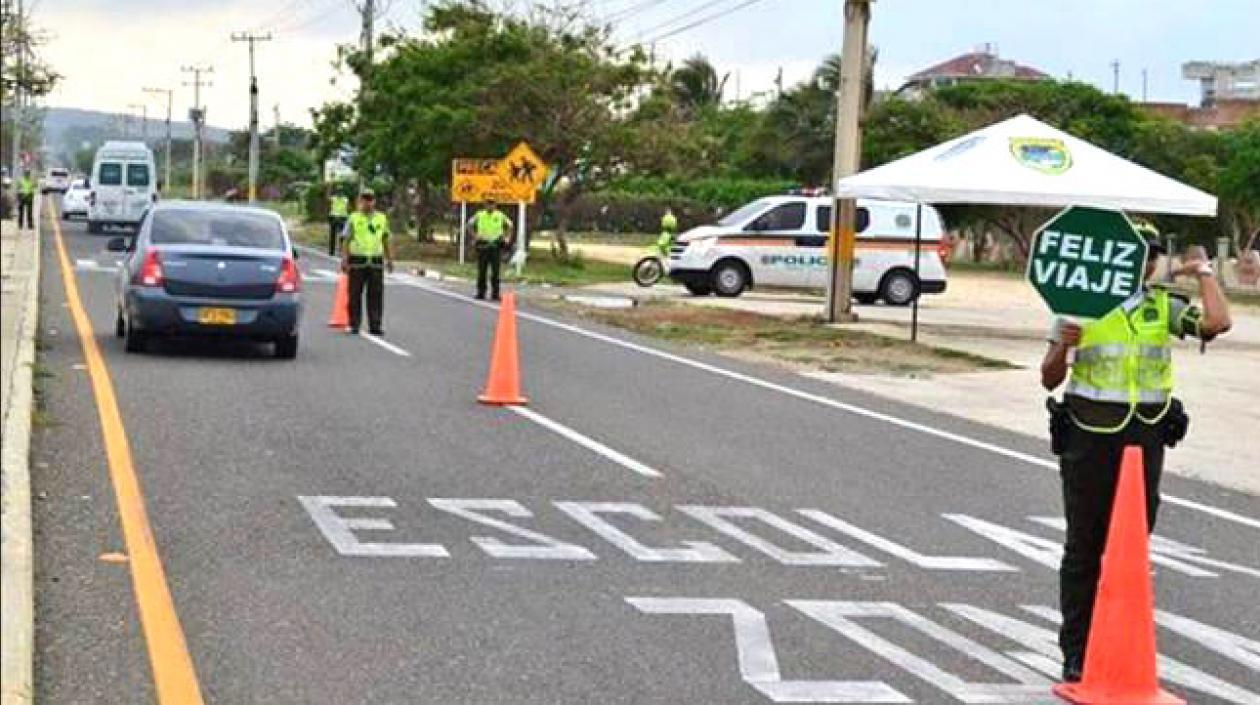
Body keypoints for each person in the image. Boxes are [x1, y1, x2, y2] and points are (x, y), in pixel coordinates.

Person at [1040, 223, 1231, 683]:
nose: (1144, 262)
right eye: (1134, 253)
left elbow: (1217, 323)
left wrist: (1204, 272)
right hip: (1090, 435)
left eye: (1151, 255)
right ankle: (1077, 651)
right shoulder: (1079, 306)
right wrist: (1064, 345)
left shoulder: (1161, 305)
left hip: (1143, 440)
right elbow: (1049, 378)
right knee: (1084, 546)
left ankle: (1119, 645)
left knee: (1131, 547)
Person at [339, 190, 394, 335]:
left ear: (374, 201)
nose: (367, 203)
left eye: (370, 200)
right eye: (364, 200)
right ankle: (354, 323)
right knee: (354, 293)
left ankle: (375, 325)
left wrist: (389, 259)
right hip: (357, 260)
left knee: (376, 294)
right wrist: (344, 259)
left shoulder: (381, 218)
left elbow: (385, 239)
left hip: (375, 261)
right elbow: (346, 240)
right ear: (360, 201)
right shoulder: (353, 218)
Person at [466, 199, 514, 301]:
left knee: (495, 271)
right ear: (485, 205)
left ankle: (495, 293)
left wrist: (506, 238)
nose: (490, 206)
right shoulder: (479, 215)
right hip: (483, 244)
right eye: (488, 204)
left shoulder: (500, 215)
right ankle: (481, 292)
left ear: (495, 205)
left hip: (495, 245)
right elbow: (469, 225)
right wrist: (475, 236)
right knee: (482, 270)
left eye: (492, 204)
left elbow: (510, 226)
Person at [328, 190, 350, 256]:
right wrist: (329, 188)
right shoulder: (334, 198)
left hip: (342, 217)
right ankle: (331, 252)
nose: (340, 193)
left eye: (341, 192)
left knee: (342, 235)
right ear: (337, 193)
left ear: (342, 193)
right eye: (338, 192)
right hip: (334, 217)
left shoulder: (345, 199)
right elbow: (328, 198)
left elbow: (347, 208)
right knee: (332, 235)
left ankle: (341, 250)